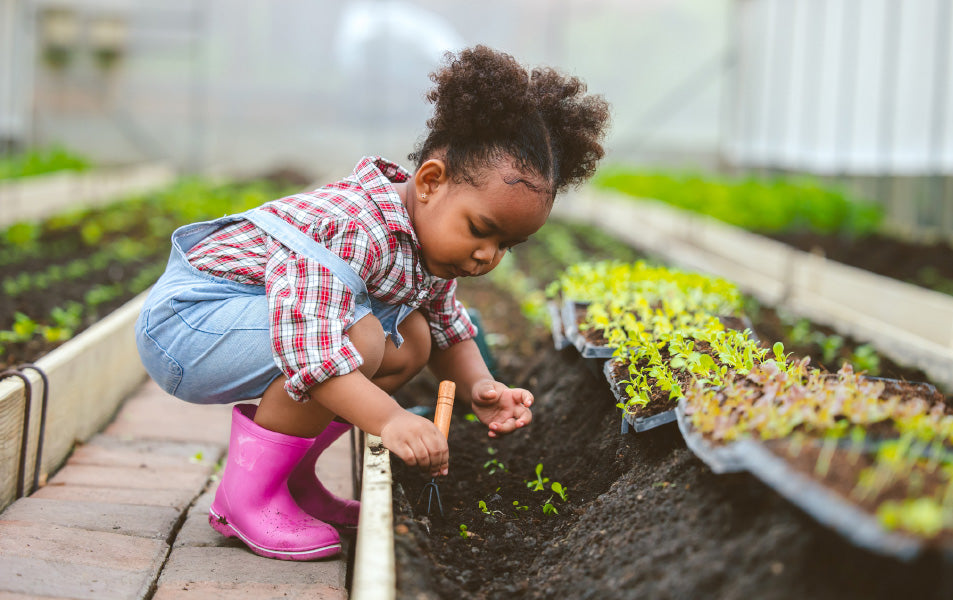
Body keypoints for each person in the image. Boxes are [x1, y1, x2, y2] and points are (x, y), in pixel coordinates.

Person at [134, 45, 610, 561]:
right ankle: (247, 499)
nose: (487, 256)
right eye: (481, 230)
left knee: (414, 339)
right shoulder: (357, 228)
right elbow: (313, 349)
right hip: (189, 325)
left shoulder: (425, 245)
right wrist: (390, 420)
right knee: (356, 338)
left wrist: (480, 387)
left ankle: (290, 480)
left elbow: (447, 329)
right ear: (430, 182)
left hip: (245, 321)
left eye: (506, 246)